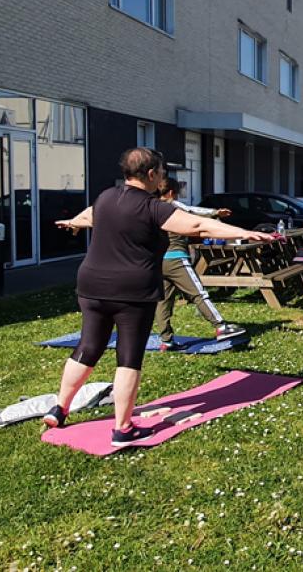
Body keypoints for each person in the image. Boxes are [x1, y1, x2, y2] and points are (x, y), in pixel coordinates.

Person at [43, 147, 273, 446]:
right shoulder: (153, 207)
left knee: (88, 347)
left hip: (91, 286)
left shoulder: (106, 197)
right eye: (161, 172)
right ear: (151, 174)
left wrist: (73, 221)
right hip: (132, 291)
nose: (163, 177)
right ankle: (123, 429)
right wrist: (247, 232)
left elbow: (89, 215)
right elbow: (198, 225)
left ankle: (59, 409)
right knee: (129, 357)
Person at [155, 177, 245, 351]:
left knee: (164, 301)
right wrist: (215, 213)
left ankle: (166, 340)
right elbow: (192, 210)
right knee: (198, 293)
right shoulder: (172, 205)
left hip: (160, 261)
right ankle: (220, 326)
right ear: (172, 192)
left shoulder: (153, 208)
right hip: (177, 258)